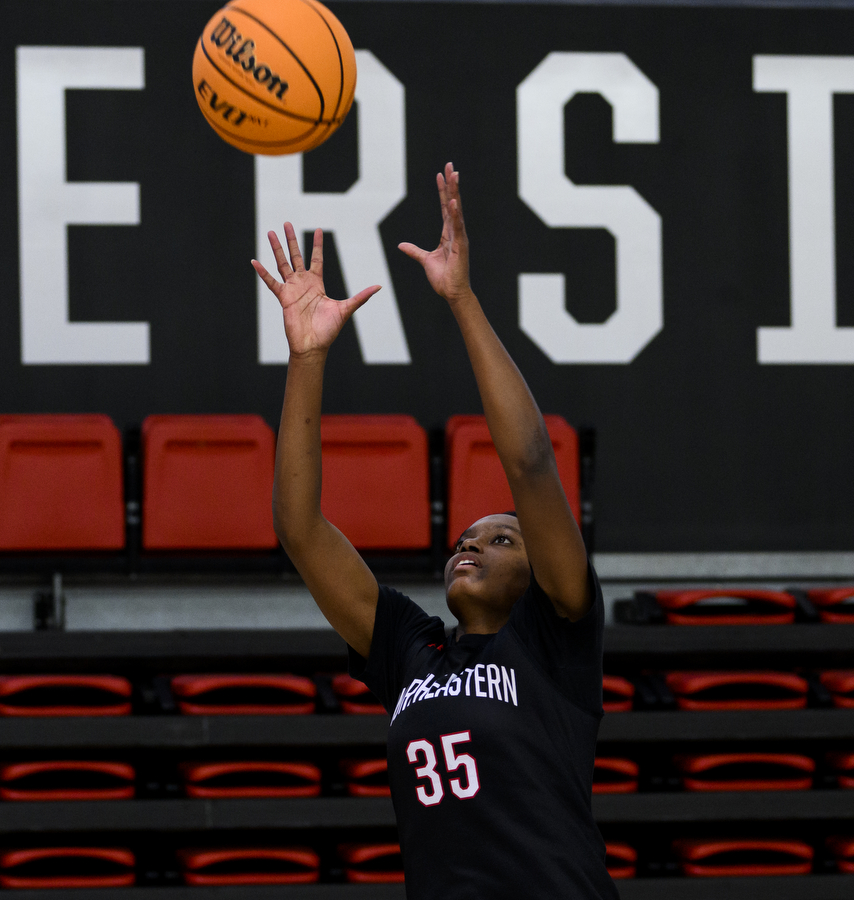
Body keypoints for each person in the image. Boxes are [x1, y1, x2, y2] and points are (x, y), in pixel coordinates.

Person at [253, 163, 617, 900]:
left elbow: (531, 462)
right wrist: (308, 358)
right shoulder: (409, 650)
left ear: (538, 575)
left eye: (501, 539)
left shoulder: (555, 640)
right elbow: (299, 529)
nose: (470, 542)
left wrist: (461, 300)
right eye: (466, 537)